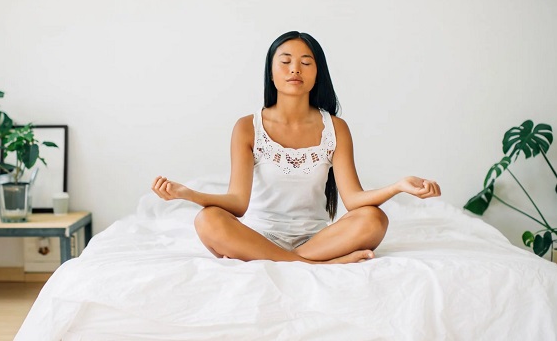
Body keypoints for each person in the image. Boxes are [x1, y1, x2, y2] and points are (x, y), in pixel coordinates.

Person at [151, 31, 441, 264]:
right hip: (257, 238)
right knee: (208, 220)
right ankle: (313, 264)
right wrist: (187, 194)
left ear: (317, 74)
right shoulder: (246, 127)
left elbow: (354, 200)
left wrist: (399, 186)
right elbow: (238, 203)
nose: (295, 69)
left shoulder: (335, 128)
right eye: (285, 61)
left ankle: (292, 259)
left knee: (374, 218)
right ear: (272, 72)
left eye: (306, 62)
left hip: (318, 242)